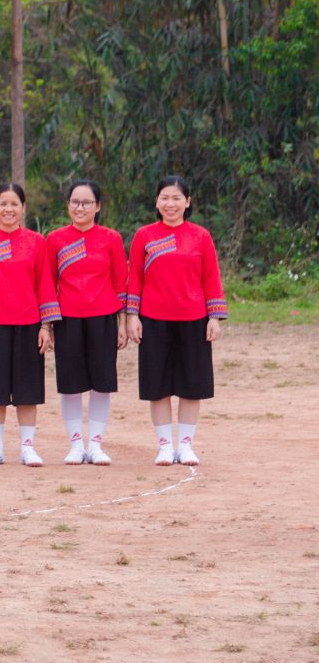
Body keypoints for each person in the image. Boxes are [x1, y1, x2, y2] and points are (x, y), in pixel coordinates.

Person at [126, 176, 227, 466]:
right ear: (156, 201)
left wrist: (214, 316)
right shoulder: (144, 235)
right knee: (157, 386)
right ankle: (164, 446)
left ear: (187, 202)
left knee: (191, 385)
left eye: (176, 198)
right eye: (165, 198)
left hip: (194, 320)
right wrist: (132, 316)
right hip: (153, 320)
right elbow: (135, 279)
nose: (170, 204)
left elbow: (211, 277)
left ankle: (185, 445)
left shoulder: (201, 236)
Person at [0, 184, 60, 467]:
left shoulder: (36, 241)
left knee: (28, 390)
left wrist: (46, 327)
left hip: (29, 325)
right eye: (3, 204)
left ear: (23, 208)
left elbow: (44, 284)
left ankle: (28, 447)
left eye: (14, 204)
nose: (8, 209)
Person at [46, 180, 128, 466]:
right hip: (67, 319)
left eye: (87, 202)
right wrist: (47, 324)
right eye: (75, 202)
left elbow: (120, 283)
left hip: (103, 318)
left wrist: (122, 323)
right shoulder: (54, 239)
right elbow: (48, 284)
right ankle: (75, 445)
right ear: (68, 205)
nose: (80, 208)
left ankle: (95, 444)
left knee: (101, 384)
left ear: (98, 206)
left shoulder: (111, 238)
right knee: (70, 385)